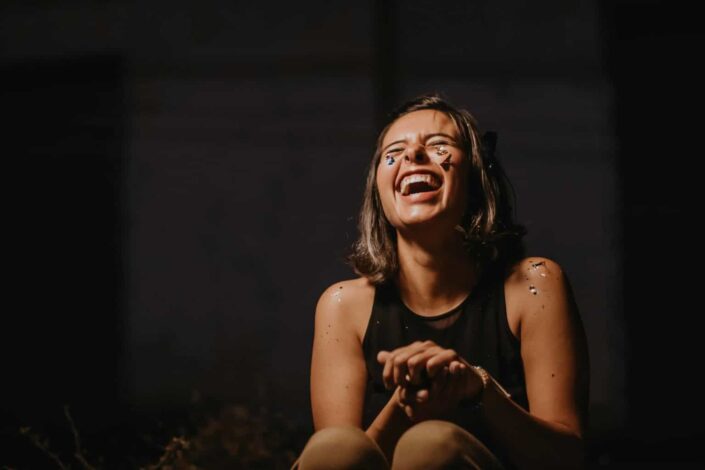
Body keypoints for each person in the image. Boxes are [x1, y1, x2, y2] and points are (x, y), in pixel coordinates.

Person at [295, 93, 590, 469]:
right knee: (334, 448)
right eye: (394, 152)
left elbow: (568, 457)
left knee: (432, 445)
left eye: (438, 146)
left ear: (476, 177)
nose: (413, 156)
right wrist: (406, 404)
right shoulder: (342, 306)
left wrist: (478, 388)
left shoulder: (533, 285)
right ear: (379, 190)